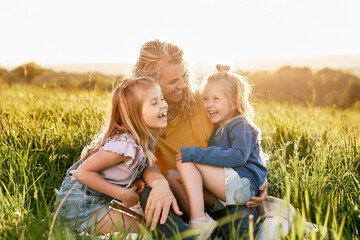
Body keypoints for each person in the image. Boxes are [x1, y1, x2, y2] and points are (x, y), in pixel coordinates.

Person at [131, 40, 267, 239]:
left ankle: (214, 229)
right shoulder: (141, 120)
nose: (182, 85)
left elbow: (243, 143)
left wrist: (261, 181)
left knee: (241, 220)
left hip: (221, 194)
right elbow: (144, 164)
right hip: (179, 198)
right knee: (150, 195)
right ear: (149, 85)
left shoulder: (204, 103)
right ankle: (191, 233)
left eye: (184, 76)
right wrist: (158, 183)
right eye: (172, 82)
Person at [55, 77, 168, 234]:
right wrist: (121, 194)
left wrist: (136, 180)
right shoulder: (125, 144)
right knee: (146, 231)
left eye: (161, 98)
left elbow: (115, 172)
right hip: (80, 205)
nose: (163, 105)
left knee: (148, 227)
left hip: (97, 201)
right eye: (154, 102)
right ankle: (74, 229)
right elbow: (82, 173)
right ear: (135, 115)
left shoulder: (143, 142)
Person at [174, 64, 268, 239]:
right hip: (226, 193)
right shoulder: (218, 132)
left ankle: (199, 221)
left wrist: (196, 154)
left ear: (234, 102)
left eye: (216, 99)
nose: (209, 105)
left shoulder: (241, 125)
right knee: (171, 177)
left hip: (242, 185)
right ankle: (204, 220)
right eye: (206, 99)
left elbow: (238, 156)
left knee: (185, 160)